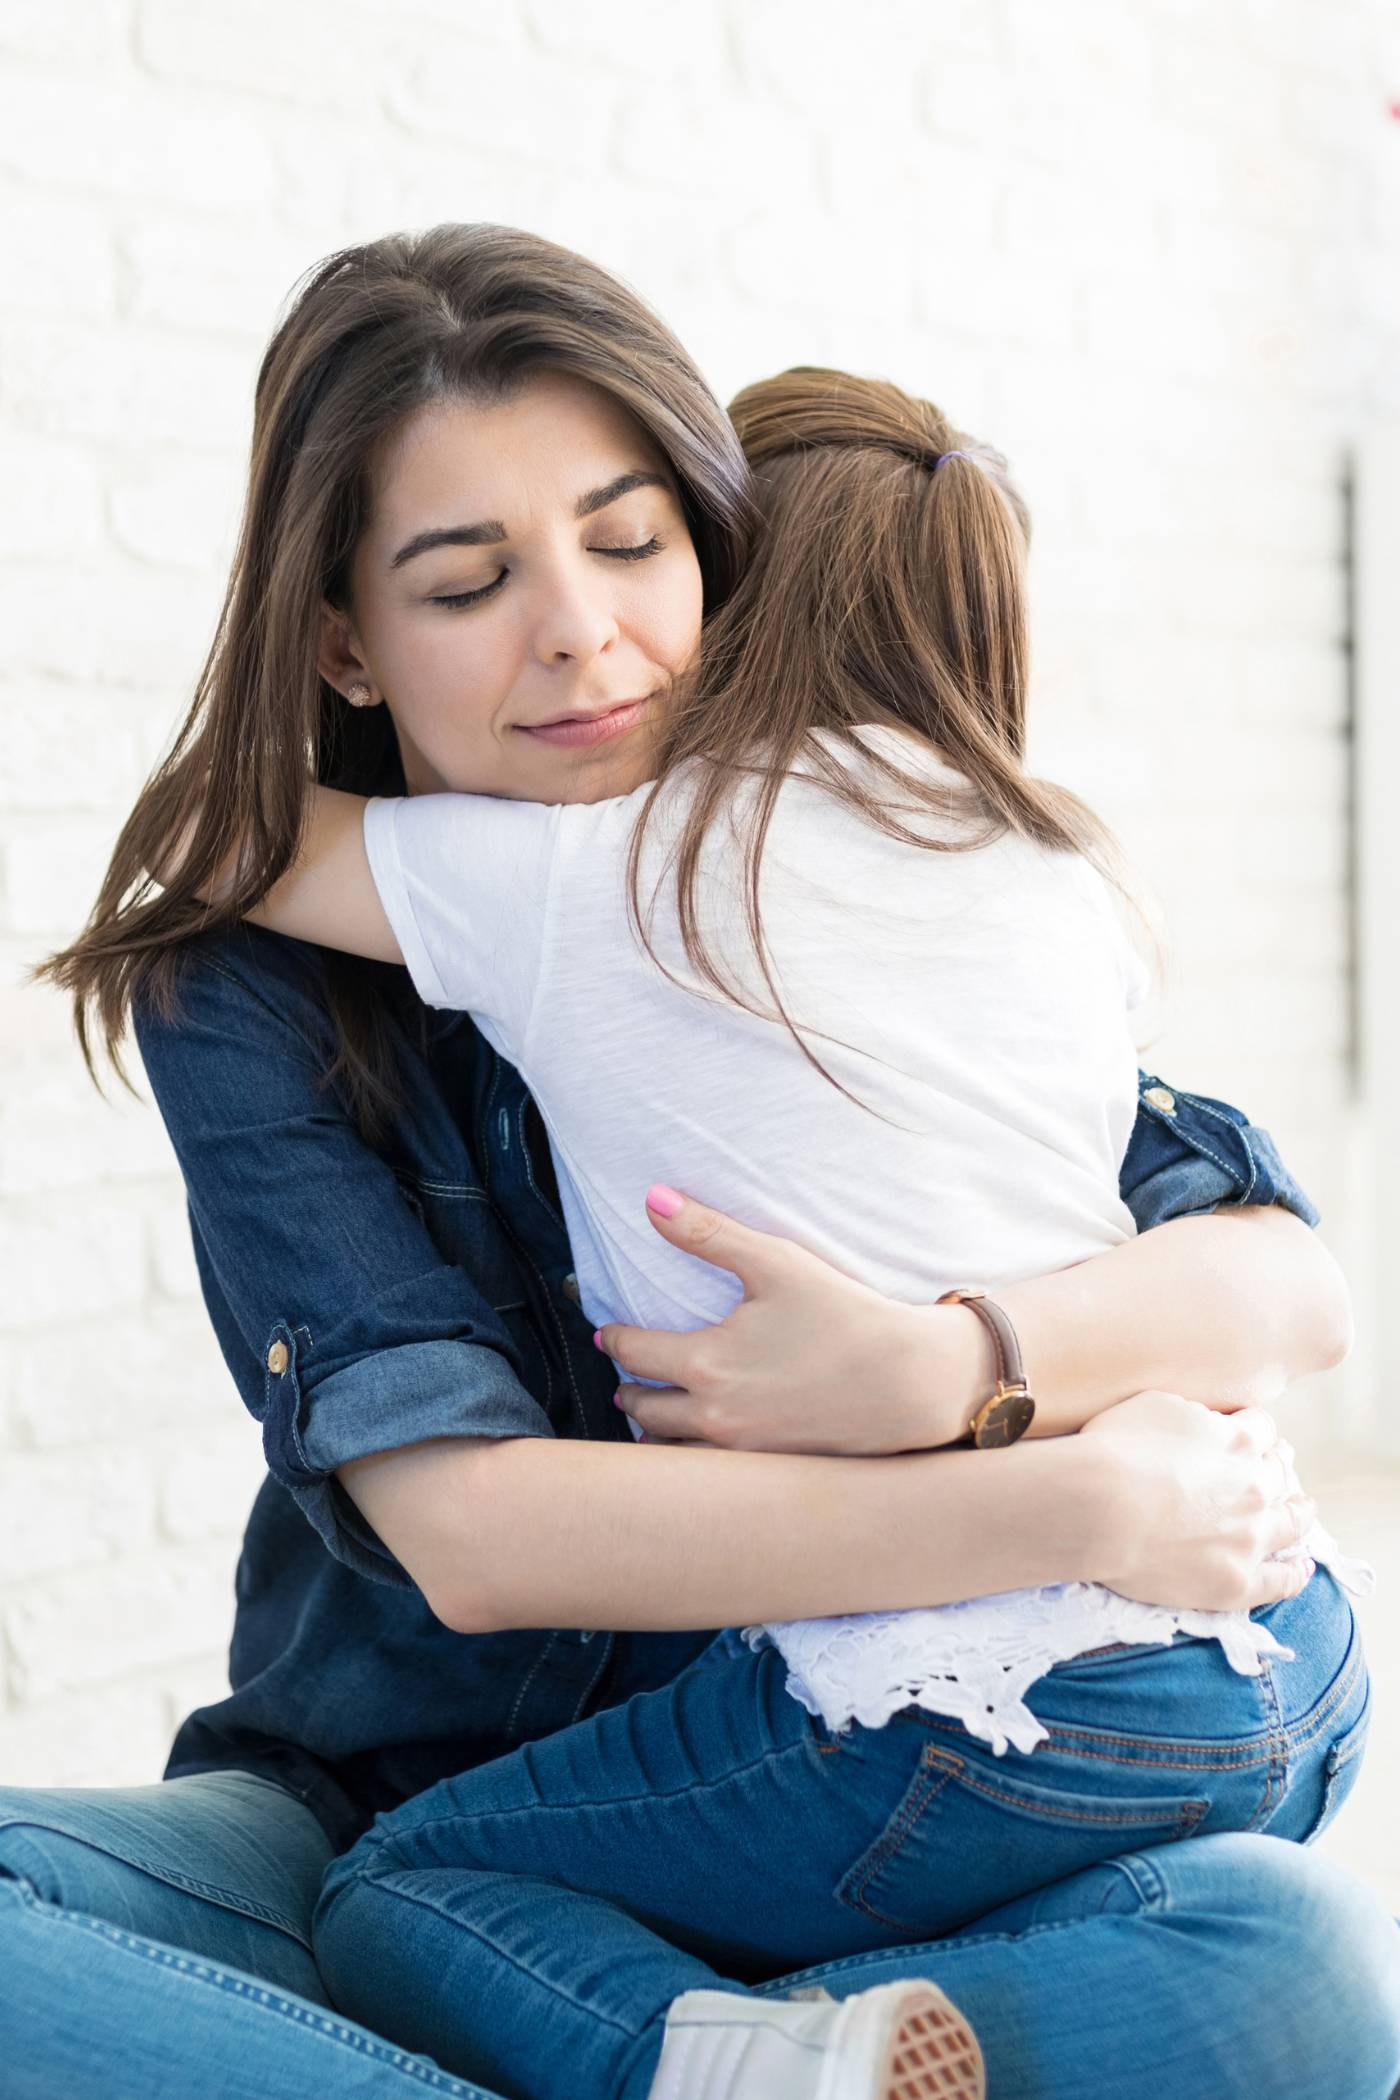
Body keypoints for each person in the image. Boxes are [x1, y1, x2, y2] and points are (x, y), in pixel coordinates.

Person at [18, 224, 1397, 2100]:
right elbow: (481, 1537)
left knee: (1290, 1943)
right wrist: (1061, 1505)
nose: (579, 629)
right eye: (465, 580)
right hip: (421, 1802)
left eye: (630, 540)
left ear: (719, 549)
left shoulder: (852, 874)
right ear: (341, 636)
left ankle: (701, 2063)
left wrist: (955, 1363)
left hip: (860, 1795)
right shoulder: (258, 994)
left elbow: (1275, 1274)